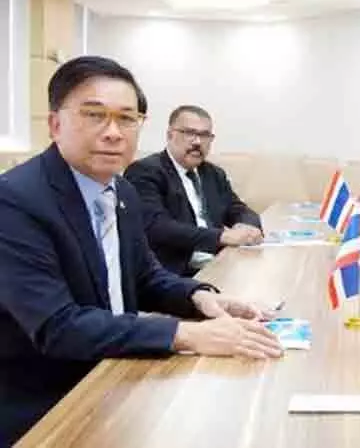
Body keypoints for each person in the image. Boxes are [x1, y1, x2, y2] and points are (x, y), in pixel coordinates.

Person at [0, 56, 282, 445]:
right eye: (94, 115)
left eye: (127, 119)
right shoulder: (15, 201)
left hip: (117, 377)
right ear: (55, 124)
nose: (113, 133)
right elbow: (59, 327)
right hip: (50, 408)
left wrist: (200, 298)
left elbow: (145, 277)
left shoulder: (122, 191)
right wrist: (185, 334)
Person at [124, 105, 263, 276]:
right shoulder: (145, 171)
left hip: (218, 263)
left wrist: (247, 226)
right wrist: (220, 237)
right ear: (170, 135)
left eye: (204, 135)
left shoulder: (213, 174)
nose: (197, 142)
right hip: (173, 275)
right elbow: (157, 227)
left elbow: (238, 208)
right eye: (189, 133)